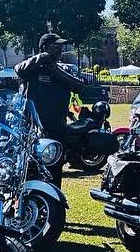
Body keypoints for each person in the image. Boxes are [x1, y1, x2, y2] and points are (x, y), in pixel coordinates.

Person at [15, 32, 87, 186]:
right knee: (31, 169)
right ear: (44, 48)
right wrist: (41, 58)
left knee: (54, 172)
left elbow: (79, 86)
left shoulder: (63, 69)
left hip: (57, 128)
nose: (59, 50)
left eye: (61, 47)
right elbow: (19, 69)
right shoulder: (33, 68)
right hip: (33, 129)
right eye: (55, 47)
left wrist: (55, 71)